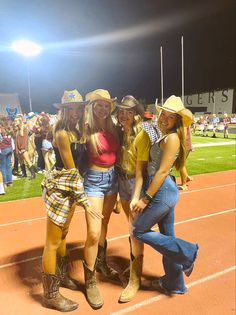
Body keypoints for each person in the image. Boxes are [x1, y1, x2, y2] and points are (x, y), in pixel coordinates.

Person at [130, 95, 198, 298]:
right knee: (167, 237)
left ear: (177, 120)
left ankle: (188, 252)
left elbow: (161, 172)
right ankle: (175, 283)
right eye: (163, 115)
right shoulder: (165, 135)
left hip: (161, 191)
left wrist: (145, 199)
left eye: (170, 117)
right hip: (163, 190)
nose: (164, 119)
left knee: (138, 231)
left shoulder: (172, 138)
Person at [41, 89, 102, 312]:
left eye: (79, 108)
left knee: (64, 234)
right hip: (62, 188)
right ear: (64, 110)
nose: (76, 112)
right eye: (71, 109)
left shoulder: (78, 130)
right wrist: (85, 201)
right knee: (52, 242)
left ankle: (63, 275)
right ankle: (50, 295)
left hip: (71, 189)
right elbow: (71, 171)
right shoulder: (62, 134)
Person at [83, 89, 120, 309]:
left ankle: (101, 264)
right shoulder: (85, 128)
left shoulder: (112, 126)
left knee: (105, 225)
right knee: (93, 231)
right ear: (92, 106)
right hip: (93, 181)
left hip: (113, 179)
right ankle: (89, 283)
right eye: (99, 105)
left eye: (107, 105)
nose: (104, 109)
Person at [114, 95, 151, 303]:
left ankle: (135, 279)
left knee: (136, 229)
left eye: (129, 111)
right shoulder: (121, 133)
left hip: (134, 184)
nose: (124, 115)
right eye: (121, 111)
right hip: (122, 183)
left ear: (136, 114)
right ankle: (133, 265)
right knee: (131, 227)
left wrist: (137, 196)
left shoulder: (142, 135)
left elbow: (140, 173)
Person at [14, 115, 35, 180]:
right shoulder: (17, 129)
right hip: (18, 148)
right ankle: (24, 174)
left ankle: (33, 175)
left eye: (16, 121)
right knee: (21, 161)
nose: (15, 122)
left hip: (23, 148)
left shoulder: (24, 129)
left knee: (27, 160)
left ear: (20, 121)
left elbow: (25, 139)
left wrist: (23, 148)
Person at [178, 126, 193, 191]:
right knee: (182, 164)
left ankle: (184, 184)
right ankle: (186, 177)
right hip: (186, 146)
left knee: (180, 165)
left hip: (184, 146)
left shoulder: (183, 122)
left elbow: (183, 135)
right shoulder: (186, 121)